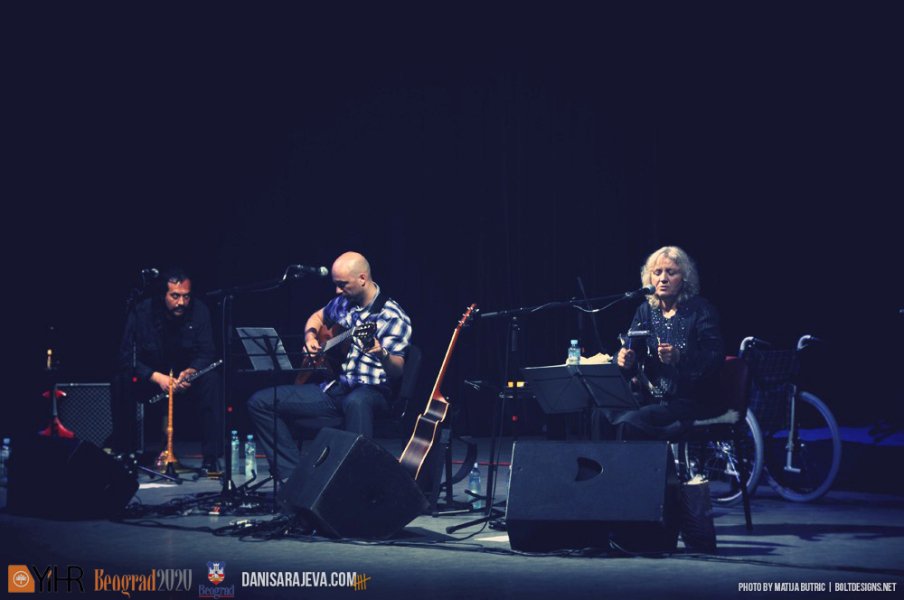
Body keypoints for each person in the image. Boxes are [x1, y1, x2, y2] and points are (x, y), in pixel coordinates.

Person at [247, 251, 412, 480]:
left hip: (374, 392)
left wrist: (382, 354)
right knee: (261, 402)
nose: (337, 291)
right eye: (336, 284)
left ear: (362, 279)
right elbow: (317, 317)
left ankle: (357, 481)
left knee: (356, 401)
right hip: (338, 388)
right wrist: (310, 338)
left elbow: (397, 370)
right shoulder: (344, 302)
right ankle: (293, 477)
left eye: (342, 284)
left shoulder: (392, 316)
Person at [594, 246, 724, 440]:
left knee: (631, 421)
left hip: (690, 400)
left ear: (684, 278)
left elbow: (714, 357)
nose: (663, 279)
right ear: (650, 279)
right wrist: (622, 359)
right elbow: (630, 348)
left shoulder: (701, 310)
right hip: (651, 399)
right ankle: (603, 461)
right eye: (657, 273)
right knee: (601, 415)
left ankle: (635, 461)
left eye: (671, 272)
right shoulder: (645, 311)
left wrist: (679, 357)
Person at [111, 267, 223, 471]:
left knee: (212, 380)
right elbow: (126, 356)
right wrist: (157, 377)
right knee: (121, 379)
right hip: (152, 380)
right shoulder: (142, 311)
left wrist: (191, 371)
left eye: (186, 296)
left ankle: (211, 458)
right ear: (163, 295)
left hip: (185, 381)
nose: (181, 302)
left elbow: (207, 352)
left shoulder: (199, 311)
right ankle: (124, 454)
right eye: (175, 296)